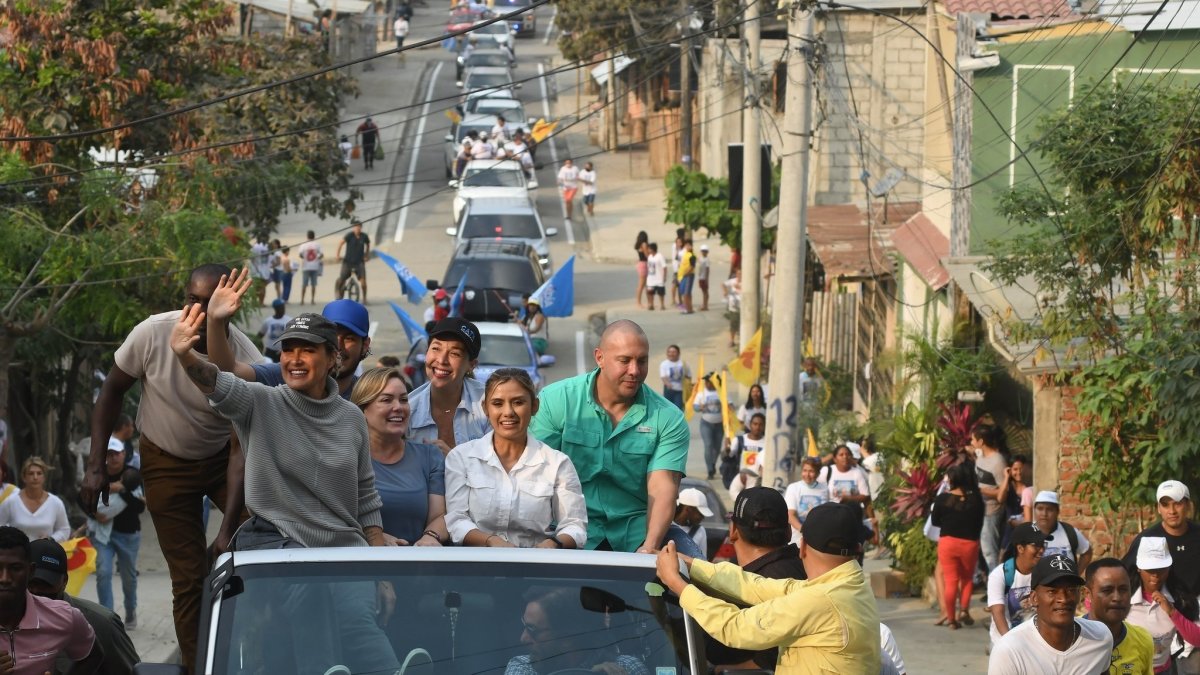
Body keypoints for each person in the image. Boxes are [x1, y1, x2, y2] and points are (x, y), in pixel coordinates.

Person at [170, 309, 400, 675]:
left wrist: (381, 572)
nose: (294, 359)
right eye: (288, 350)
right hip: (277, 543)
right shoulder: (261, 402)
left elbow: (366, 499)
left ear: (332, 358)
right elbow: (217, 382)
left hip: (343, 551)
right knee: (309, 591)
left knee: (364, 632)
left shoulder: (352, 417)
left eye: (306, 350)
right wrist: (185, 355)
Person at [82, 263, 262, 670]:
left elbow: (241, 448)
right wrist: (95, 465)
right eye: (191, 299)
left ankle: (254, 654)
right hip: (165, 461)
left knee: (255, 548)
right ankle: (198, 666)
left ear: (229, 305)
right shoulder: (153, 332)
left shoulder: (244, 357)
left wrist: (228, 528)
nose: (195, 310)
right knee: (188, 579)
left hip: (223, 460)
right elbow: (111, 391)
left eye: (209, 302)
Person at [530, 320, 701, 557]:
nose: (634, 370)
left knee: (695, 568)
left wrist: (649, 547)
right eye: (624, 360)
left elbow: (663, 488)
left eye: (642, 361)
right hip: (565, 527)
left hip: (637, 531)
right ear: (599, 358)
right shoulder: (557, 400)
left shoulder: (668, 417)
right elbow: (536, 473)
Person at [655, 501, 880, 673]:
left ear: (802, 547)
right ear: (858, 549)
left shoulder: (821, 600)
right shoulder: (852, 587)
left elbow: (735, 627)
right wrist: (691, 565)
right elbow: (758, 586)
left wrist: (677, 584)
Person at [445, 369, 586, 548]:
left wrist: (552, 545)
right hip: (476, 566)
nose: (508, 412)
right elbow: (456, 521)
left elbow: (575, 525)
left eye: (518, 402)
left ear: (534, 406)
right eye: (497, 403)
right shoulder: (461, 458)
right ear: (485, 408)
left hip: (535, 566)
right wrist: (490, 541)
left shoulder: (557, 463)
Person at [207, 270, 373, 401]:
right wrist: (214, 321)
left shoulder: (369, 396)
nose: (339, 345)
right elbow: (229, 370)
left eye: (349, 338)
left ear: (365, 345)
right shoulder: (289, 374)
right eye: (332, 335)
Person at [705, 487, 808, 671]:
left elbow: (770, 664)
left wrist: (719, 670)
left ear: (734, 530)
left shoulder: (762, 582)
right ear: (789, 532)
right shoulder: (804, 570)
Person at [351, 367, 448, 546]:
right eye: (387, 400)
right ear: (363, 409)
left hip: (418, 564)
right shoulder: (347, 457)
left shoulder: (429, 456)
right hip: (361, 563)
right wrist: (375, 535)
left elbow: (440, 515)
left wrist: (430, 536)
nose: (398, 407)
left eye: (404, 400)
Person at [28, 538, 140, 675]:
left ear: (64, 582)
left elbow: (131, 670)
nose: (36, 591)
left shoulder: (101, 624)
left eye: (45, 584)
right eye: (29, 583)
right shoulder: (6, 623)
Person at [0, 527, 103, 675]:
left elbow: (93, 655)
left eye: (15, 568)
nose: (5, 578)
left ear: (31, 571)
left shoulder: (64, 616)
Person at [988, 553, 1113, 675]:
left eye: (1070, 590)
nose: (1063, 599)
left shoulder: (1100, 637)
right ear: (1034, 598)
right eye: (1052, 591)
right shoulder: (1009, 651)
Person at [505, 587, 648, 675]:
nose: (523, 638)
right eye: (524, 625)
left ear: (567, 638)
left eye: (532, 630)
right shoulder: (524, 668)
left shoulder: (627, 668)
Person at [407, 318, 491, 454]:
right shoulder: (408, 410)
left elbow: (499, 468)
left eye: (455, 353)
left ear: (471, 365)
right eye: (436, 348)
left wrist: (453, 463)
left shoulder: (489, 404)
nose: (441, 360)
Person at [87, 440, 143, 627]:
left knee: (128, 577)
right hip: (103, 535)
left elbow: (140, 506)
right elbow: (81, 498)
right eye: (109, 454)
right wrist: (94, 514)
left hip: (128, 535)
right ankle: (108, 618)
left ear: (123, 454)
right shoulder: (96, 473)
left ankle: (130, 610)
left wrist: (122, 489)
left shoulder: (132, 475)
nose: (112, 457)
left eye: (116, 453)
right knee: (103, 572)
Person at [1126, 536, 1200, 673]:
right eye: (1149, 569)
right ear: (1139, 568)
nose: (1155, 575)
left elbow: (1197, 639)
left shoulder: (1179, 598)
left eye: (1161, 569)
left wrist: (1173, 613)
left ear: (1169, 568)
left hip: (1162, 670)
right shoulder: (1124, 595)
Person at [930, 461, 984, 629]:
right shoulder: (976, 500)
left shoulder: (942, 499)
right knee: (967, 579)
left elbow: (935, 521)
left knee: (951, 581)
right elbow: (979, 523)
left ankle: (952, 619)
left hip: (947, 543)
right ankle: (964, 610)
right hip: (969, 543)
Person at [1124, 480, 1200, 598]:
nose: (1172, 511)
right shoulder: (1147, 539)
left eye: (1178, 503)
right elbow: (1126, 575)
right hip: (1158, 607)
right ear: (1159, 508)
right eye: (1165, 505)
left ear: (1188, 505)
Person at [1082, 558, 1155, 675]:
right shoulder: (1069, 636)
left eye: (1123, 589)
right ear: (1087, 594)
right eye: (1107, 590)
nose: (1117, 598)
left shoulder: (1143, 640)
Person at [987, 522, 1050, 649]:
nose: (1041, 550)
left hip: (1035, 641)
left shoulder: (1045, 573)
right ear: (1020, 548)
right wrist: (1010, 644)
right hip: (1005, 640)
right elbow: (998, 613)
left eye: (1043, 545)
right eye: (1036, 545)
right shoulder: (1000, 575)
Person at [0, 457, 70, 542]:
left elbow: (64, 530)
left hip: (45, 552)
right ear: (24, 477)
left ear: (44, 477)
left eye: (39, 473)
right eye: (31, 473)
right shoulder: (11, 502)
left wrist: (51, 539)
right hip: (18, 553)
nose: (35, 477)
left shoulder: (56, 503)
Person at [973, 423, 1009, 572]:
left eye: (973, 440)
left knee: (989, 550)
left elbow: (1003, 492)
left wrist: (982, 491)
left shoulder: (998, 461)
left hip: (992, 510)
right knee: (980, 550)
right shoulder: (980, 458)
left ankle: (996, 586)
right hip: (979, 509)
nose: (972, 443)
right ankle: (988, 582)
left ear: (981, 441)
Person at [1033, 490, 1092, 569]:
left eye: (1049, 509)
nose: (1044, 514)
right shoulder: (1025, 532)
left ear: (1057, 512)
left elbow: (1087, 552)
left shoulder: (1069, 532)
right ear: (1034, 510)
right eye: (1040, 509)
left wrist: (1076, 574)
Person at [785, 457, 829, 544]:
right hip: (797, 540)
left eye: (811, 471)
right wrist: (805, 531)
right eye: (805, 470)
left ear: (818, 473)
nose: (807, 475)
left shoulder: (824, 488)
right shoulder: (794, 487)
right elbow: (790, 515)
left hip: (818, 539)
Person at [821, 444, 871, 518]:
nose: (845, 457)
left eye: (848, 454)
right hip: (831, 515)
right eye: (841, 455)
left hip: (852, 514)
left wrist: (849, 498)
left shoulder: (857, 472)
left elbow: (865, 496)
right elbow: (817, 490)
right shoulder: (826, 471)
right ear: (835, 459)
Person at [692, 374, 725, 480]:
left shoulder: (722, 392)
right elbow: (695, 406)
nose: (707, 384)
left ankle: (713, 463)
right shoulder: (702, 393)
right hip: (706, 423)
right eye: (706, 382)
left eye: (709, 382)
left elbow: (730, 405)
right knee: (708, 445)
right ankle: (710, 469)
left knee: (717, 448)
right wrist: (699, 407)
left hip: (720, 425)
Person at [721, 412, 766, 489]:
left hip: (758, 481)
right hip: (741, 480)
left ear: (764, 426)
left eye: (760, 424)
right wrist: (726, 450)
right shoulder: (739, 440)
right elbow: (728, 458)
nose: (757, 427)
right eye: (755, 424)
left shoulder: (767, 442)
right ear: (750, 425)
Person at [335, 220, 371, 303]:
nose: (357, 228)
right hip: (348, 262)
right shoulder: (349, 235)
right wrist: (337, 255)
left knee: (363, 283)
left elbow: (368, 244)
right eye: (356, 227)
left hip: (359, 262)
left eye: (359, 227)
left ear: (361, 228)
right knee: (342, 278)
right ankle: (338, 291)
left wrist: (367, 255)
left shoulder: (364, 236)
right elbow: (341, 243)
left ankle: (365, 298)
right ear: (353, 228)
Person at [674, 488, 712, 558]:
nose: (703, 517)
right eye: (700, 514)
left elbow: (702, 560)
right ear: (688, 509)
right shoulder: (667, 526)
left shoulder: (700, 531)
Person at [258, 298, 290, 362]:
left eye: (283, 307)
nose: (283, 309)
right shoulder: (268, 321)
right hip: (270, 352)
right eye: (280, 307)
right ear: (275, 308)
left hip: (284, 351)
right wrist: (260, 347)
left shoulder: (289, 320)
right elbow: (259, 336)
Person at [658, 344, 688, 410]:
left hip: (681, 391)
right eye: (669, 352)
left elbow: (688, 376)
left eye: (673, 352)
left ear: (678, 353)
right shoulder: (664, 364)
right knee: (669, 408)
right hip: (669, 390)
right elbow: (663, 377)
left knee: (678, 408)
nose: (671, 354)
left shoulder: (683, 364)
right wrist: (668, 384)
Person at [297, 230, 323, 305]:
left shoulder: (303, 245)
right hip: (315, 266)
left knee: (304, 284)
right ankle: (312, 300)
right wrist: (317, 257)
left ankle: (302, 300)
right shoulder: (317, 245)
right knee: (313, 284)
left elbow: (300, 255)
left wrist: (304, 257)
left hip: (306, 266)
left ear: (307, 236)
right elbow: (321, 255)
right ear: (314, 236)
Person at [249, 235, 271, 306]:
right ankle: (261, 303)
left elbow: (251, 258)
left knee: (255, 287)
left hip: (256, 270)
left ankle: (254, 302)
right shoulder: (267, 247)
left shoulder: (254, 247)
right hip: (265, 271)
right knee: (263, 287)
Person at [723, 268, 741, 348]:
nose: (739, 276)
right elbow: (723, 284)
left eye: (741, 274)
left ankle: (742, 340)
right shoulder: (733, 281)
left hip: (743, 307)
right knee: (733, 324)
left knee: (741, 325)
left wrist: (740, 287)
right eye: (738, 274)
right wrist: (725, 292)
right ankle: (732, 340)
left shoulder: (747, 282)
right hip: (733, 307)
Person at [645, 242, 667, 311]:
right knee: (650, 293)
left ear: (653, 249)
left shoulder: (660, 256)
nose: (648, 250)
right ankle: (651, 305)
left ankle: (662, 305)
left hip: (659, 278)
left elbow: (664, 267)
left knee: (661, 293)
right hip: (651, 278)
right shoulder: (649, 257)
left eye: (649, 249)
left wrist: (664, 276)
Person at [676, 239, 696, 315]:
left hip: (688, 275)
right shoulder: (685, 254)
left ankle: (688, 309)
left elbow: (692, 266)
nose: (687, 247)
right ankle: (689, 308)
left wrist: (686, 273)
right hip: (683, 276)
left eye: (689, 245)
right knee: (685, 292)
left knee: (686, 293)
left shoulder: (692, 255)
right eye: (686, 245)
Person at [634, 231, 650, 308]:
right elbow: (647, 255)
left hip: (640, 264)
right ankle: (638, 302)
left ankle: (648, 302)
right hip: (644, 264)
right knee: (642, 285)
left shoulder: (639, 245)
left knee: (645, 285)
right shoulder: (644, 244)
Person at [697, 244, 711, 311]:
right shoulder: (700, 258)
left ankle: (705, 305)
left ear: (707, 252)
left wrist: (707, 279)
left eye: (705, 251)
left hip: (704, 278)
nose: (704, 252)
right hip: (701, 277)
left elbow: (707, 269)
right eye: (702, 251)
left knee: (705, 292)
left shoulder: (706, 260)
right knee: (703, 292)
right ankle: (704, 305)